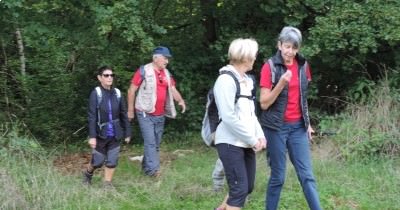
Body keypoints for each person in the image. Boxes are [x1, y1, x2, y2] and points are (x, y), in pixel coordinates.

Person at [259, 26, 322, 210]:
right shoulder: (269, 66)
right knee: (278, 177)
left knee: (307, 175)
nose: (290, 52)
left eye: (294, 48)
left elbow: (303, 97)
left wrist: (307, 124)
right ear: (279, 45)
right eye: (287, 46)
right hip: (276, 128)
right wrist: (281, 83)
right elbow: (264, 103)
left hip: (298, 128)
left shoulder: (303, 66)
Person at [213, 38, 266, 210]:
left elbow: (251, 115)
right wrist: (252, 139)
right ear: (246, 57)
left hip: (246, 142)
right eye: (254, 55)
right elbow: (228, 117)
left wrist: (260, 136)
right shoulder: (225, 81)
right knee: (239, 189)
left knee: (247, 187)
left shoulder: (247, 81)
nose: (255, 58)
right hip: (230, 143)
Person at [127, 46, 186, 177]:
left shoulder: (166, 73)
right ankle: (154, 172)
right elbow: (131, 91)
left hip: (160, 114)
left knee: (156, 144)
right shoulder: (144, 71)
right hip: (144, 112)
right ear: (156, 58)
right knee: (151, 142)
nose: (167, 61)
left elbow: (173, 89)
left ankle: (146, 170)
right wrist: (130, 111)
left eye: (168, 59)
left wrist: (180, 101)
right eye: (165, 58)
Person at [83, 66, 131, 188]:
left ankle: (107, 184)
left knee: (112, 160)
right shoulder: (96, 94)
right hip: (101, 134)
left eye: (111, 75)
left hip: (115, 133)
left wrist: (127, 132)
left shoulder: (118, 93)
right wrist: (92, 136)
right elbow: (92, 116)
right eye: (106, 75)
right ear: (100, 78)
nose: (110, 77)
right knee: (98, 161)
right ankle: (88, 173)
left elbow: (123, 114)